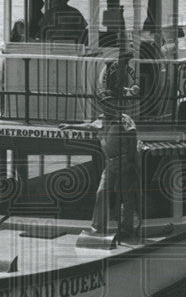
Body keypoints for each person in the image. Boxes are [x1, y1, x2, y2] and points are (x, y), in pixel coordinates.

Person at [60, 98, 140, 240]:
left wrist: (131, 160)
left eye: (109, 104)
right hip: (110, 163)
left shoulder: (124, 120)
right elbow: (88, 126)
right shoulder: (101, 120)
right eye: (104, 104)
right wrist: (70, 126)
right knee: (101, 193)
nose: (106, 107)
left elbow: (132, 136)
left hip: (125, 161)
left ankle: (128, 229)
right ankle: (97, 228)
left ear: (115, 104)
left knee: (127, 198)